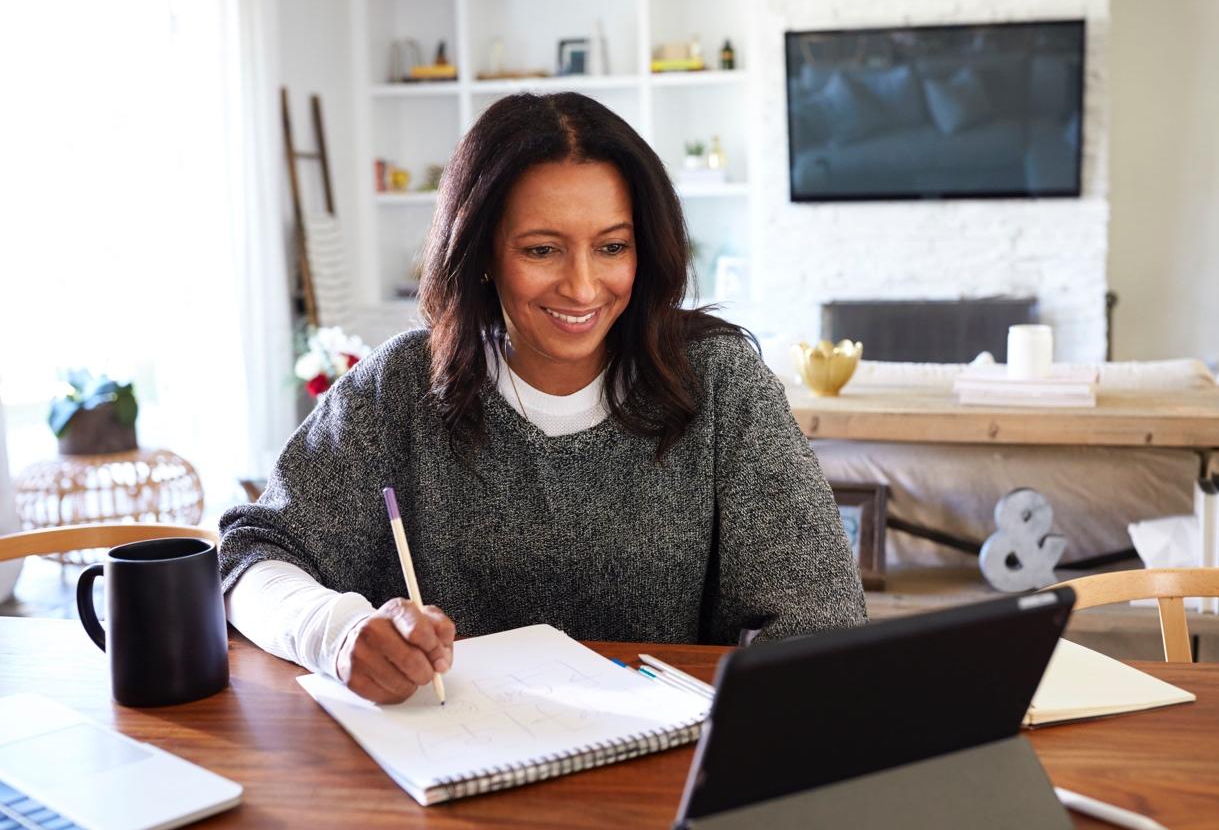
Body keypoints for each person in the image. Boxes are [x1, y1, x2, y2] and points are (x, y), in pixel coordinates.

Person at [219, 92, 866, 704]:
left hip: (660, 775)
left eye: (612, 247)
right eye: (542, 250)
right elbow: (250, 554)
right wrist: (335, 634)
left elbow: (823, 620)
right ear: (482, 253)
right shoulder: (400, 388)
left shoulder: (721, 384)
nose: (583, 287)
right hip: (445, 767)